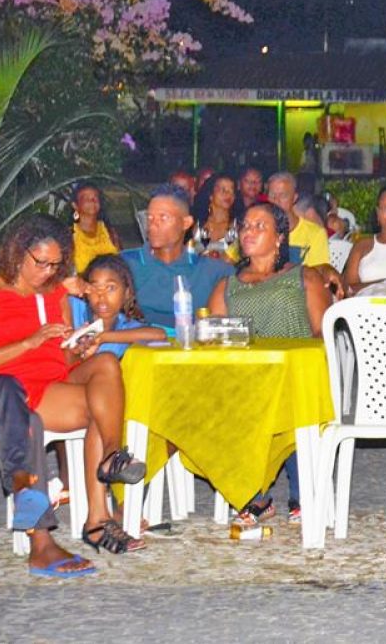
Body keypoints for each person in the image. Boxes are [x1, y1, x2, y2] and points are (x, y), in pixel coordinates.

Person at [0, 215, 147, 554]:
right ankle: (98, 521)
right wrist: (28, 343)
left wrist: (80, 347)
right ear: (18, 252)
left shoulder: (57, 292)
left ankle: (112, 456)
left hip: (58, 378)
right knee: (101, 409)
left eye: (56, 265)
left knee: (104, 363)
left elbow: (65, 357)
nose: (47, 271)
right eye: (41, 263)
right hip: (14, 391)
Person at [208, 202, 332, 524]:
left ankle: (302, 493)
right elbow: (213, 337)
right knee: (231, 401)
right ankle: (255, 496)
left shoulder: (303, 277)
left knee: (288, 400)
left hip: (294, 377)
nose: (248, 232)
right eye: (245, 226)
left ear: (280, 238)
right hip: (247, 380)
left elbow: (322, 333)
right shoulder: (226, 286)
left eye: (259, 226)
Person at [0, 376, 95, 577]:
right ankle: (39, 537)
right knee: (15, 406)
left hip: (6, 395)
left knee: (27, 416)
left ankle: (23, 487)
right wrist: (27, 344)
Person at [122, 184, 234, 329]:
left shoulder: (213, 271)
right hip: (138, 347)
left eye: (163, 218)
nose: (153, 225)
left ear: (186, 223)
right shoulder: (125, 265)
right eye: (150, 218)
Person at [75, 255, 167, 359]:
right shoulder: (74, 309)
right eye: (95, 287)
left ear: (126, 293)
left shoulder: (125, 326)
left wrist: (102, 337)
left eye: (110, 288)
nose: (101, 296)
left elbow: (160, 335)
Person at [266, 171, 330, 267]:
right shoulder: (259, 231)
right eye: (272, 195)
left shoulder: (315, 233)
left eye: (283, 195)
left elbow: (319, 272)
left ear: (294, 198)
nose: (276, 200)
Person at [70, 182, 121, 275]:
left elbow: (121, 264)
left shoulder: (109, 232)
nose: (92, 200)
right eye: (86, 198)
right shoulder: (70, 235)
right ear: (75, 205)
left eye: (95, 197)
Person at [191, 173, 244, 257]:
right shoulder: (196, 224)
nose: (228, 194)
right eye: (223, 190)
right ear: (210, 195)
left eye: (231, 190)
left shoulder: (239, 226)